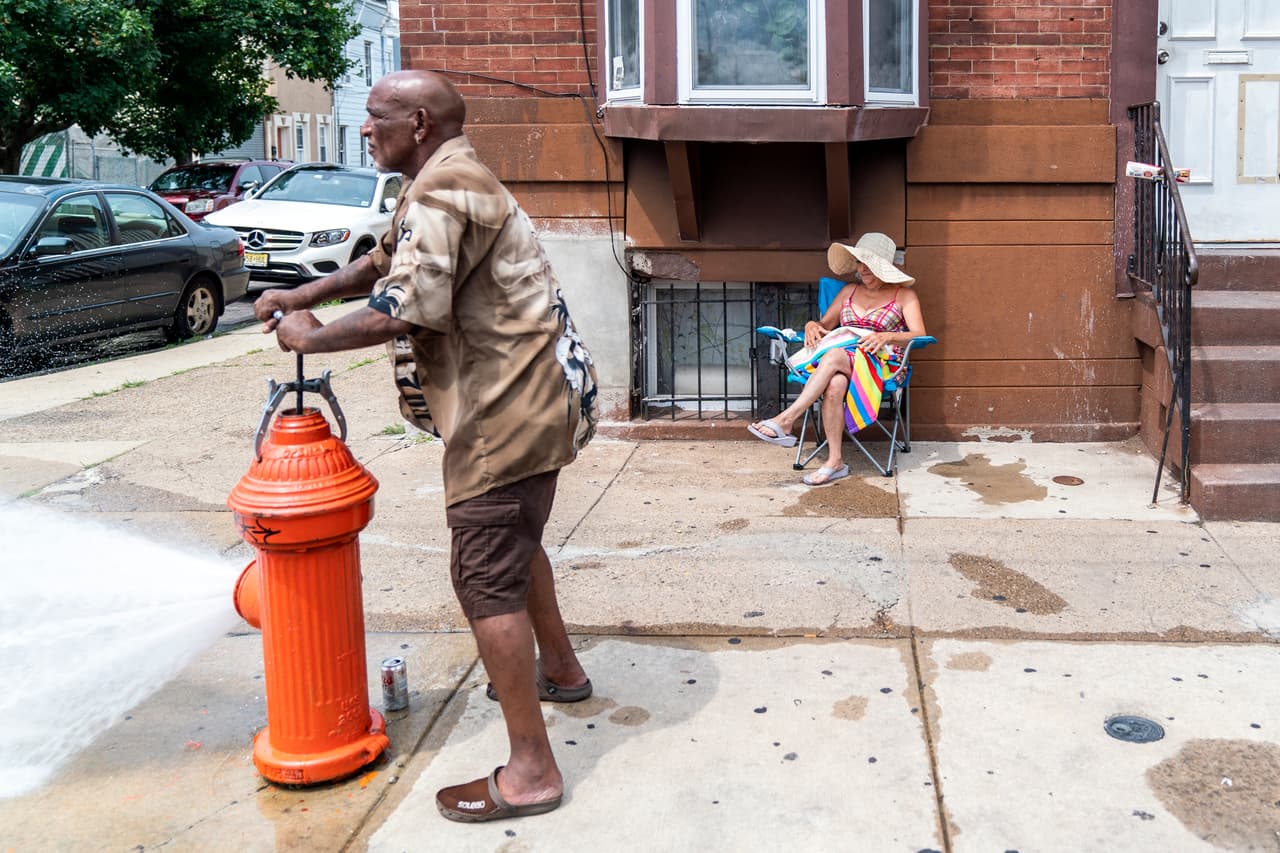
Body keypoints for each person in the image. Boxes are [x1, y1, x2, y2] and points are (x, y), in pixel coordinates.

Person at [254, 70, 598, 823]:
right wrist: (301, 295)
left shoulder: (444, 189)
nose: (365, 128)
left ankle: (532, 771)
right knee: (513, 542)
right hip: (535, 401)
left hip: (503, 413)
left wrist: (314, 337)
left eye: (376, 118)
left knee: (484, 576)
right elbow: (385, 264)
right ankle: (563, 671)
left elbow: (404, 307)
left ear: (417, 121)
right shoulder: (440, 180)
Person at [748, 232, 927, 486]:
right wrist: (812, 324)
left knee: (833, 356)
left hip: (882, 363)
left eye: (870, 265)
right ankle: (835, 462)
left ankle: (786, 420)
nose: (863, 269)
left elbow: (920, 335)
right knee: (834, 386)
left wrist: (886, 337)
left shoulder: (904, 296)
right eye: (860, 263)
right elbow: (825, 324)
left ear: (885, 268)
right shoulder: (849, 291)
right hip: (845, 358)